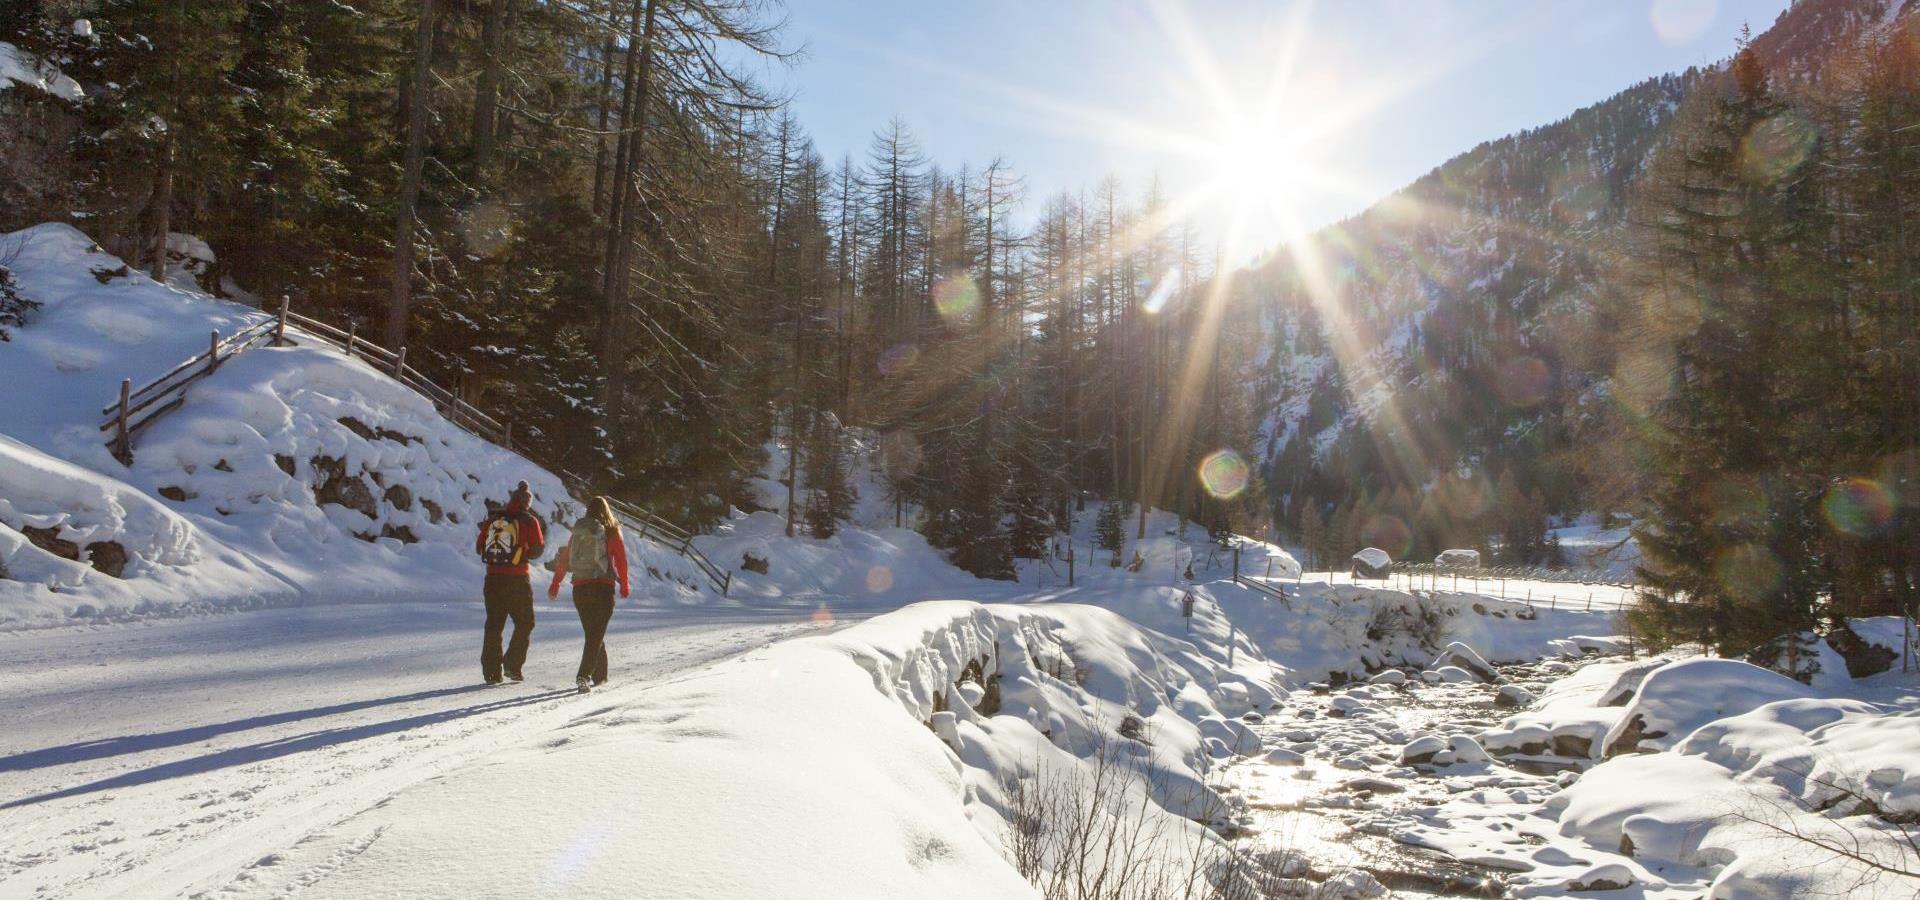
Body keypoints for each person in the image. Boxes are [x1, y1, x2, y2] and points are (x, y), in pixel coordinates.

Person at [547, 496, 630, 693]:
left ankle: (600, 676)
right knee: (595, 634)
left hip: (580, 589)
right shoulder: (611, 531)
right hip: (603, 587)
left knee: (593, 633)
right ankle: (583, 676)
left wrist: (556, 583)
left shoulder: (579, 532)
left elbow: (565, 558)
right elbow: (621, 560)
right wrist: (624, 584)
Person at [476, 480, 546, 684]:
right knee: (525, 622)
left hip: (493, 578)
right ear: (527, 502)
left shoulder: (494, 519)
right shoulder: (529, 520)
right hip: (517, 579)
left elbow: (479, 547)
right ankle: (512, 665)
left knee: (494, 624)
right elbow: (537, 550)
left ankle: (491, 672)